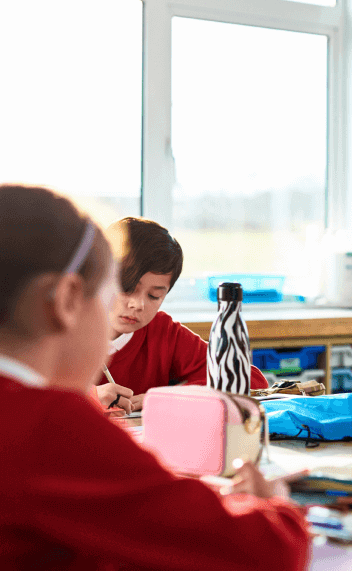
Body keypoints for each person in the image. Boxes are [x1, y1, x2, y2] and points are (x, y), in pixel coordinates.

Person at [0, 184, 309, 570]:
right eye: (113, 291)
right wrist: (273, 502)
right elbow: (265, 552)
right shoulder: (48, 425)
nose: (133, 305)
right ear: (66, 301)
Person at [94, 217, 267, 413]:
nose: (138, 304)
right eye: (127, 288)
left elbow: (251, 380)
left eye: (154, 296)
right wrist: (89, 397)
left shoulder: (164, 332)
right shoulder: (61, 329)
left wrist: (164, 397)